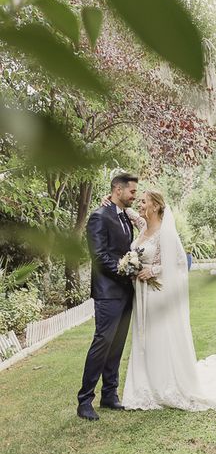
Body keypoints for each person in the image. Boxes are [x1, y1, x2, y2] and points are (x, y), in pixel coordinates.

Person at [104, 189, 216, 411]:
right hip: (142, 294)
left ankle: (165, 385)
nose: (140, 205)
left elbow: (178, 263)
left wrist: (152, 270)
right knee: (144, 337)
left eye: (144, 202)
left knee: (159, 336)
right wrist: (110, 202)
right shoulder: (143, 226)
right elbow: (128, 212)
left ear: (155, 206)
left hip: (157, 293)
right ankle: (144, 386)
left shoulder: (166, 233)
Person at [77, 173, 138, 421]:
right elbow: (100, 256)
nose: (135, 195)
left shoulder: (125, 217)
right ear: (117, 189)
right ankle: (84, 401)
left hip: (126, 292)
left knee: (117, 345)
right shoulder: (99, 217)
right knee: (102, 343)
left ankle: (110, 394)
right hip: (108, 292)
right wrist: (126, 272)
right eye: (132, 191)